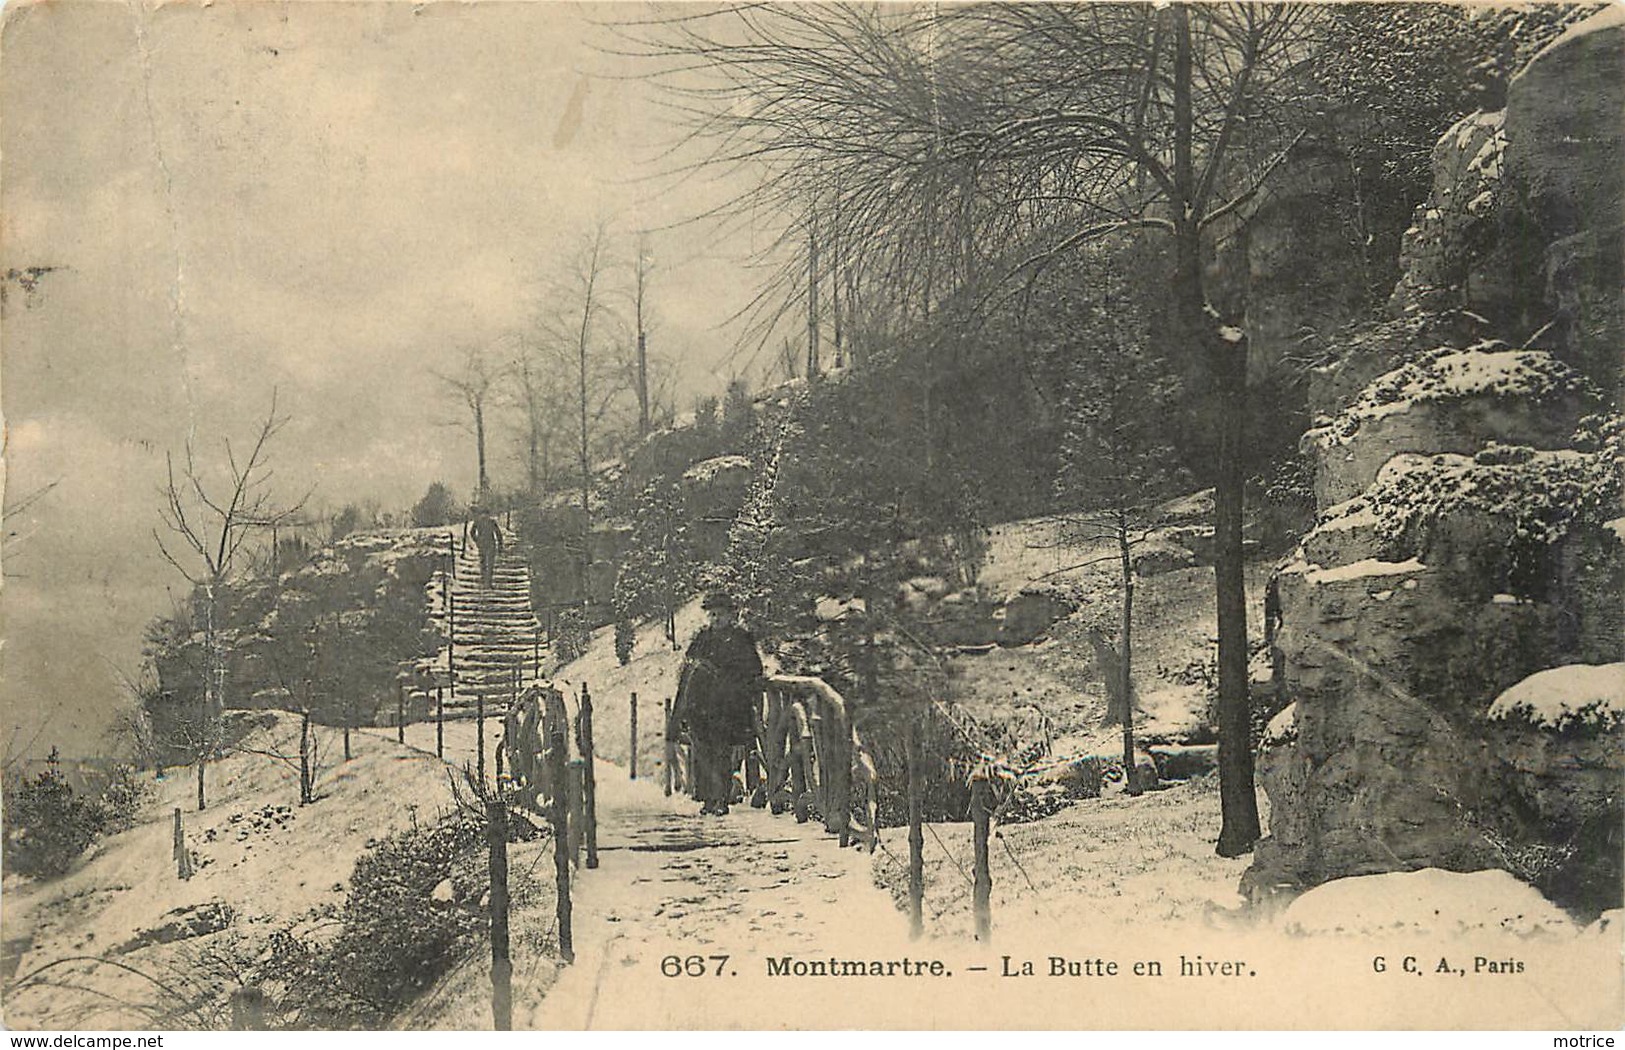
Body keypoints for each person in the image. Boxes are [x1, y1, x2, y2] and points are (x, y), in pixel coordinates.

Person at [671, 590, 764, 816]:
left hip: (728, 708)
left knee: (722, 753)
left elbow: (753, 671)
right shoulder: (702, 638)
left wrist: (730, 684)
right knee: (703, 752)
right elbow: (688, 669)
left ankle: (721, 798)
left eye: (720, 614)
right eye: (712, 615)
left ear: (732, 615)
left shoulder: (741, 639)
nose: (716, 619)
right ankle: (707, 798)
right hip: (700, 707)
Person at [469, 509, 502, 588]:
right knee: (489, 563)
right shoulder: (491, 522)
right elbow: (498, 534)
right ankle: (488, 582)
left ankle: (484, 581)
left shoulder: (478, 521)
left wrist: (477, 540)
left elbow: (472, 533)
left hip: (484, 544)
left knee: (484, 562)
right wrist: (500, 545)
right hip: (489, 544)